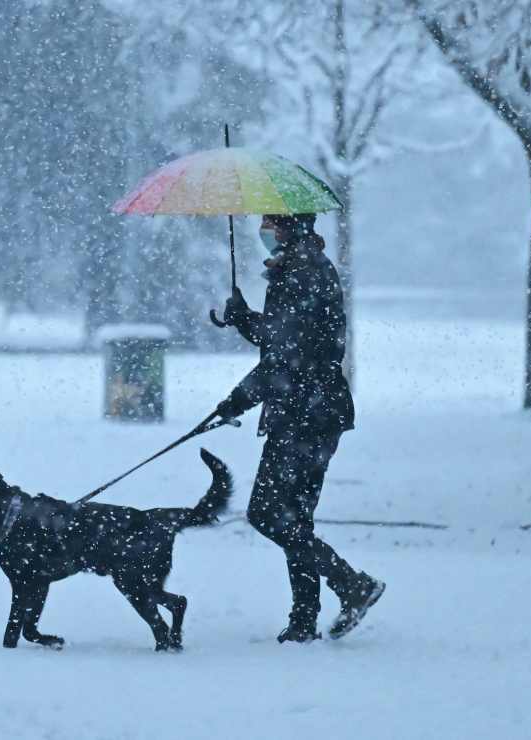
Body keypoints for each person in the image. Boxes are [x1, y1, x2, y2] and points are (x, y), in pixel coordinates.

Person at [214, 212, 384, 643]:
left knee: (267, 514)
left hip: (305, 413)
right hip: (315, 409)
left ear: (290, 228)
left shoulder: (301, 274)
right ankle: (304, 619)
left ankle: (351, 584)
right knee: (294, 518)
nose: (265, 233)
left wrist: (236, 400)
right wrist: (245, 318)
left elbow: (285, 358)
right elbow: (284, 338)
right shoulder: (303, 269)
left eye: (271, 225)